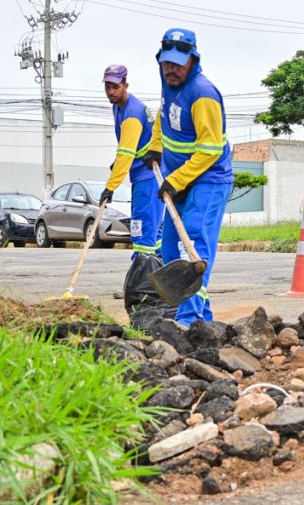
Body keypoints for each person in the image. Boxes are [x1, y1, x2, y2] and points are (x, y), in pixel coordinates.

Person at [143, 28, 233, 326]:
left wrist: (177, 180)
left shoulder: (203, 94)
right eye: (166, 62)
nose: (172, 69)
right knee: (169, 247)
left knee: (191, 247)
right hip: (179, 178)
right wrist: (155, 147)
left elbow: (209, 151)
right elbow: (162, 115)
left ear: (193, 59)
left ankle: (189, 318)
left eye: (178, 63)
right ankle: (201, 321)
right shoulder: (168, 83)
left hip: (208, 180)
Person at [98, 64, 164, 258]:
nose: (111, 91)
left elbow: (126, 153)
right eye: (107, 86)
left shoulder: (132, 114)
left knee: (142, 229)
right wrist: (117, 161)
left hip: (149, 176)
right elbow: (128, 147)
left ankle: (141, 277)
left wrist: (110, 187)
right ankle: (160, 270)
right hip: (143, 175)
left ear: (125, 85)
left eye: (115, 87)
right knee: (152, 230)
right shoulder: (118, 106)